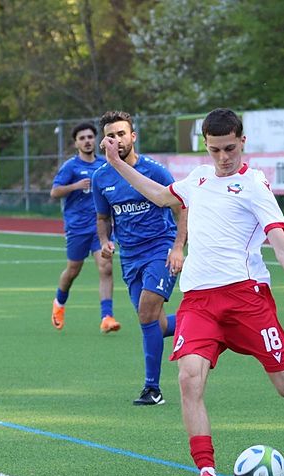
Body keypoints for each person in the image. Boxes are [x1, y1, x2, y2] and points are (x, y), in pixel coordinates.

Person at [100, 108, 284, 476]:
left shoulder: (255, 186)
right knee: (188, 378)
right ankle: (207, 472)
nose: (223, 157)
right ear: (206, 146)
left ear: (242, 142)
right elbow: (159, 195)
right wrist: (115, 163)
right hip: (199, 301)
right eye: (215, 150)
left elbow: (281, 245)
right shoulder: (198, 178)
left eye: (229, 148)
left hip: (246, 299)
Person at [92, 110, 187, 406]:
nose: (117, 140)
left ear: (133, 136)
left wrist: (178, 247)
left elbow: (182, 207)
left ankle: (152, 389)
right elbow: (102, 218)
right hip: (130, 257)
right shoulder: (100, 177)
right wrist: (105, 241)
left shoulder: (155, 171)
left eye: (122, 134)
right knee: (155, 324)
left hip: (160, 250)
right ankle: (203, 322)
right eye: (110, 135)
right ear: (103, 141)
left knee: (146, 314)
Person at [49, 122, 121, 334]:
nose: (87, 141)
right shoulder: (71, 167)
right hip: (77, 228)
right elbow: (55, 192)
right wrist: (76, 186)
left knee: (106, 267)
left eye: (90, 137)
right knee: (73, 270)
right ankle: (59, 303)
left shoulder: (104, 164)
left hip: (100, 227)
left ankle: (107, 317)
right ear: (76, 143)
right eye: (82, 138)